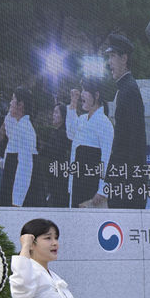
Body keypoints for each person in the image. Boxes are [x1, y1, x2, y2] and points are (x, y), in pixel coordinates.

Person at [105, 33, 147, 208]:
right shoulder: (124, 88)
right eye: (108, 57)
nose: (109, 62)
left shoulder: (128, 90)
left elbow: (135, 140)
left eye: (113, 56)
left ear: (124, 58)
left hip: (127, 183)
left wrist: (129, 183)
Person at [66, 79, 113, 208]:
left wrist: (102, 190)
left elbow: (107, 158)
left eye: (85, 90)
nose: (82, 94)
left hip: (93, 190)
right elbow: (70, 133)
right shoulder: (81, 120)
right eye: (82, 90)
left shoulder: (105, 123)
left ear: (96, 95)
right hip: (77, 184)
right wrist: (73, 103)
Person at [0, 87, 38, 207]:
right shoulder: (17, 124)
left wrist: (17, 201)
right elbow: (8, 127)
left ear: (21, 104)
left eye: (13, 99)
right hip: (11, 179)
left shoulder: (25, 128)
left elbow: (25, 167)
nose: (10, 103)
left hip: (19, 190)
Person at [39, 104, 72, 207]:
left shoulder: (64, 133)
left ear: (63, 116)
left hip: (60, 180)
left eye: (56, 112)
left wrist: (41, 146)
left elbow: (55, 151)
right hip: (54, 178)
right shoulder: (55, 132)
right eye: (53, 112)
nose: (53, 115)